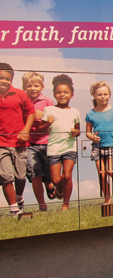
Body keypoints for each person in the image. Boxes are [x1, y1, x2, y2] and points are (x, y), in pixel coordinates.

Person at [40, 74, 80, 211]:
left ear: (71, 95)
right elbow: (42, 130)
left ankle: (66, 204)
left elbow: (78, 131)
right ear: (54, 95)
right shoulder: (49, 110)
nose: (62, 95)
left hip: (70, 147)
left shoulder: (75, 112)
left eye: (66, 92)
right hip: (54, 148)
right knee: (56, 180)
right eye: (59, 92)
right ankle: (58, 190)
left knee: (67, 176)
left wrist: (75, 132)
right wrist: (48, 123)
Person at [0, 63, 35, 216]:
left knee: (20, 177)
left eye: (7, 79)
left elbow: (31, 112)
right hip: (1, 143)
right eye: (0, 78)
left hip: (20, 142)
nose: (3, 81)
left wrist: (26, 130)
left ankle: (19, 197)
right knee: (6, 176)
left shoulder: (20, 94)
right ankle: (14, 209)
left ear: (11, 80)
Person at [22, 72, 56, 212]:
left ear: (42, 87)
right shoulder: (22, 100)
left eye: (36, 85)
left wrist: (44, 116)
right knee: (35, 174)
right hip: (30, 144)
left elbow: (55, 120)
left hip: (47, 142)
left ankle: (49, 185)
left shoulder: (47, 100)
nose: (33, 88)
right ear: (24, 87)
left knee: (49, 174)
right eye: (29, 85)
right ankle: (42, 204)